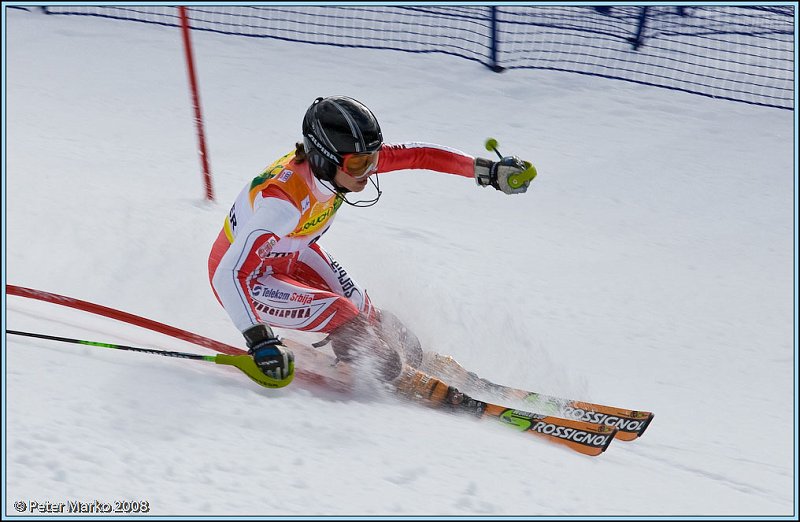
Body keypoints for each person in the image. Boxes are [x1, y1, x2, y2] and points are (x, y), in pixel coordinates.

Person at [208, 95, 533, 412]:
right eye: (361, 164)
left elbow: (421, 155)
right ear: (324, 157)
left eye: (373, 160)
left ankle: (410, 363)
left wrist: (486, 171)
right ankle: (385, 370)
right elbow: (228, 272)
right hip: (247, 281)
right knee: (347, 318)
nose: (369, 171)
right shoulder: (282, 204)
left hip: (293, 254)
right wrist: (260, 340)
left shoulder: (341, 164)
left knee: (380, 322)